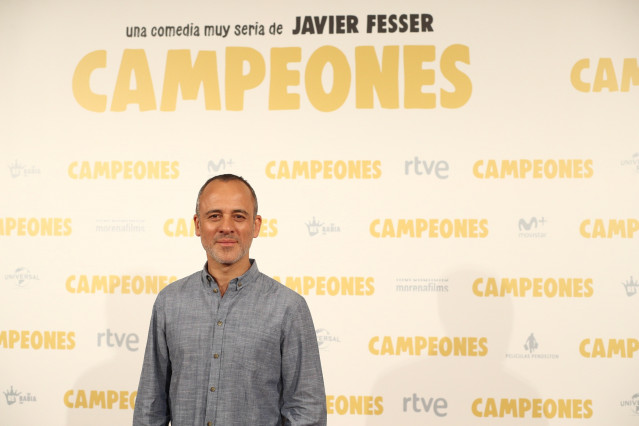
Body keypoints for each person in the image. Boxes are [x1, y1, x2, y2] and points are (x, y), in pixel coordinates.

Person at [133, 174, 327, 426]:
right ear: (198, 224)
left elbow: (306, 410)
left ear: (255, 226)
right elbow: (151, 404)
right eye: (214, 216)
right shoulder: (169, 302)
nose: (226, 226)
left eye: (239, 216)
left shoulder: (288, 307)